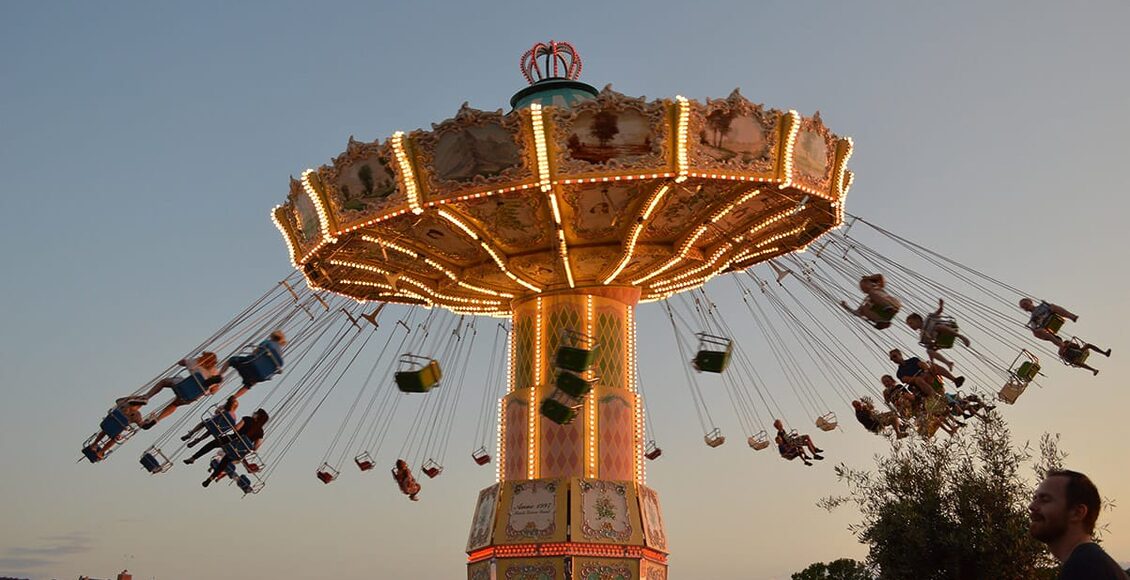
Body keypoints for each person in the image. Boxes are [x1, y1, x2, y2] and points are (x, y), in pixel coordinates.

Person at [1029, 470, 1129, 579]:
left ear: (1077, 513)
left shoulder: (1084, 569)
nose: (1031, 506)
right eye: (1034, 498)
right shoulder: (1093, 565)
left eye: (1045, 499)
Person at [183, 408, 269, 487]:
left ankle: (193, 458)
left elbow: (236, 428)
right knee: (225, 461)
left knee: (212, 444)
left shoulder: (247, 419)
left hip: (231, 440)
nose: (254, 413)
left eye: (256, 413)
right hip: (239, 450)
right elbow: (256, 447)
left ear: (258, 416)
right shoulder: (260, 432)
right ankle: (211, 478)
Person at [138, 352, 224, 428]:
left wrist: (186, 362)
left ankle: (147, 396)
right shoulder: (215, 373)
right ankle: (158, 419)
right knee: (175, 404)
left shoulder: (196, 363)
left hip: (180, 387)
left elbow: (181, 362)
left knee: (163, 382)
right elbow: (213, 391)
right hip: (190, 397)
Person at [906, 299, 971, 370]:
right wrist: (932, 361)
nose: (911, 326)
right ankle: (948, 363)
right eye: (909, 325)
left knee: (937, 327)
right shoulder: (922, 336)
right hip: (941, 339)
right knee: (929, 350)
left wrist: (941, 305)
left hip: (947, 328)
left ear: (918, 320)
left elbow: (938, 312)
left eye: (911, 323)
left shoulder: (929, 319)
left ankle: (961, 337)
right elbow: (930, 347)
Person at [223, 330, 287, 399]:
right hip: (260, 376)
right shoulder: (280, 354)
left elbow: (255, 352)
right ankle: (234, 397)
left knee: (231, 360)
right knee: (249, 384)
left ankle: (220, 376)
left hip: (250, 365)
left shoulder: (268, 343)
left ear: (272, 336)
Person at [889, 349, 965, 400]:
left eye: (894, 356)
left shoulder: (913, 360)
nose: (894, 359)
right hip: (920, 384)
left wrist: (925, 370)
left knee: (934, 367)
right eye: (892, 358)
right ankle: (935, 397)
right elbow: (908, 380)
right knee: (918, 379)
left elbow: (923, 365)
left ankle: (955, 380)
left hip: (928, 376)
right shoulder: (899, 373)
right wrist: (919, 376)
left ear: (900, 354)